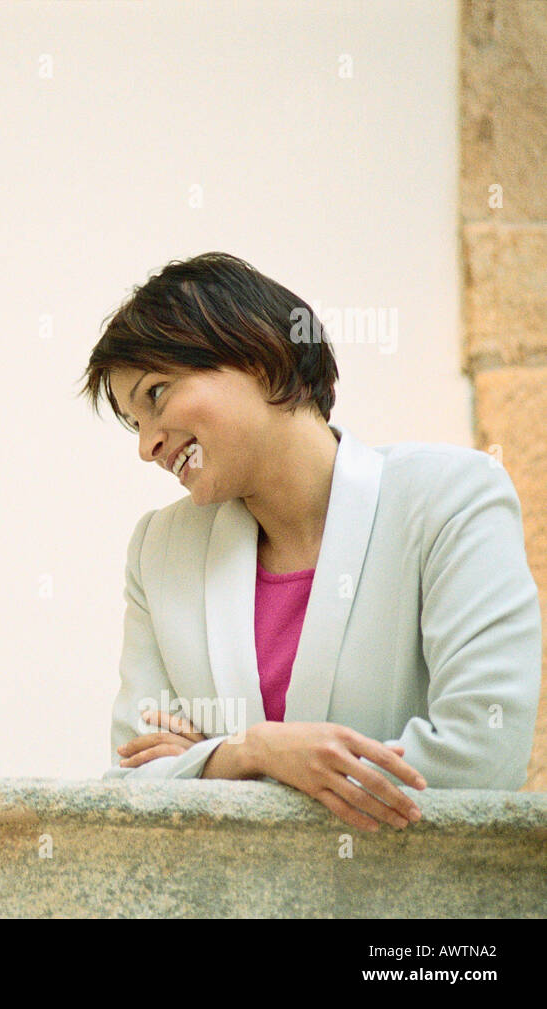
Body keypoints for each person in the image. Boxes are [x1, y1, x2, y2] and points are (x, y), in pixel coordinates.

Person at [84, 252, 540, 831]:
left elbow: (481, 756)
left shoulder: (451, 499)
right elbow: (132, 783)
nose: (147, 445)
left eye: (155, 396)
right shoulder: (159, 550)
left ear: (257, 354)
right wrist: (253, 751)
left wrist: (210, 764)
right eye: (133, 422)